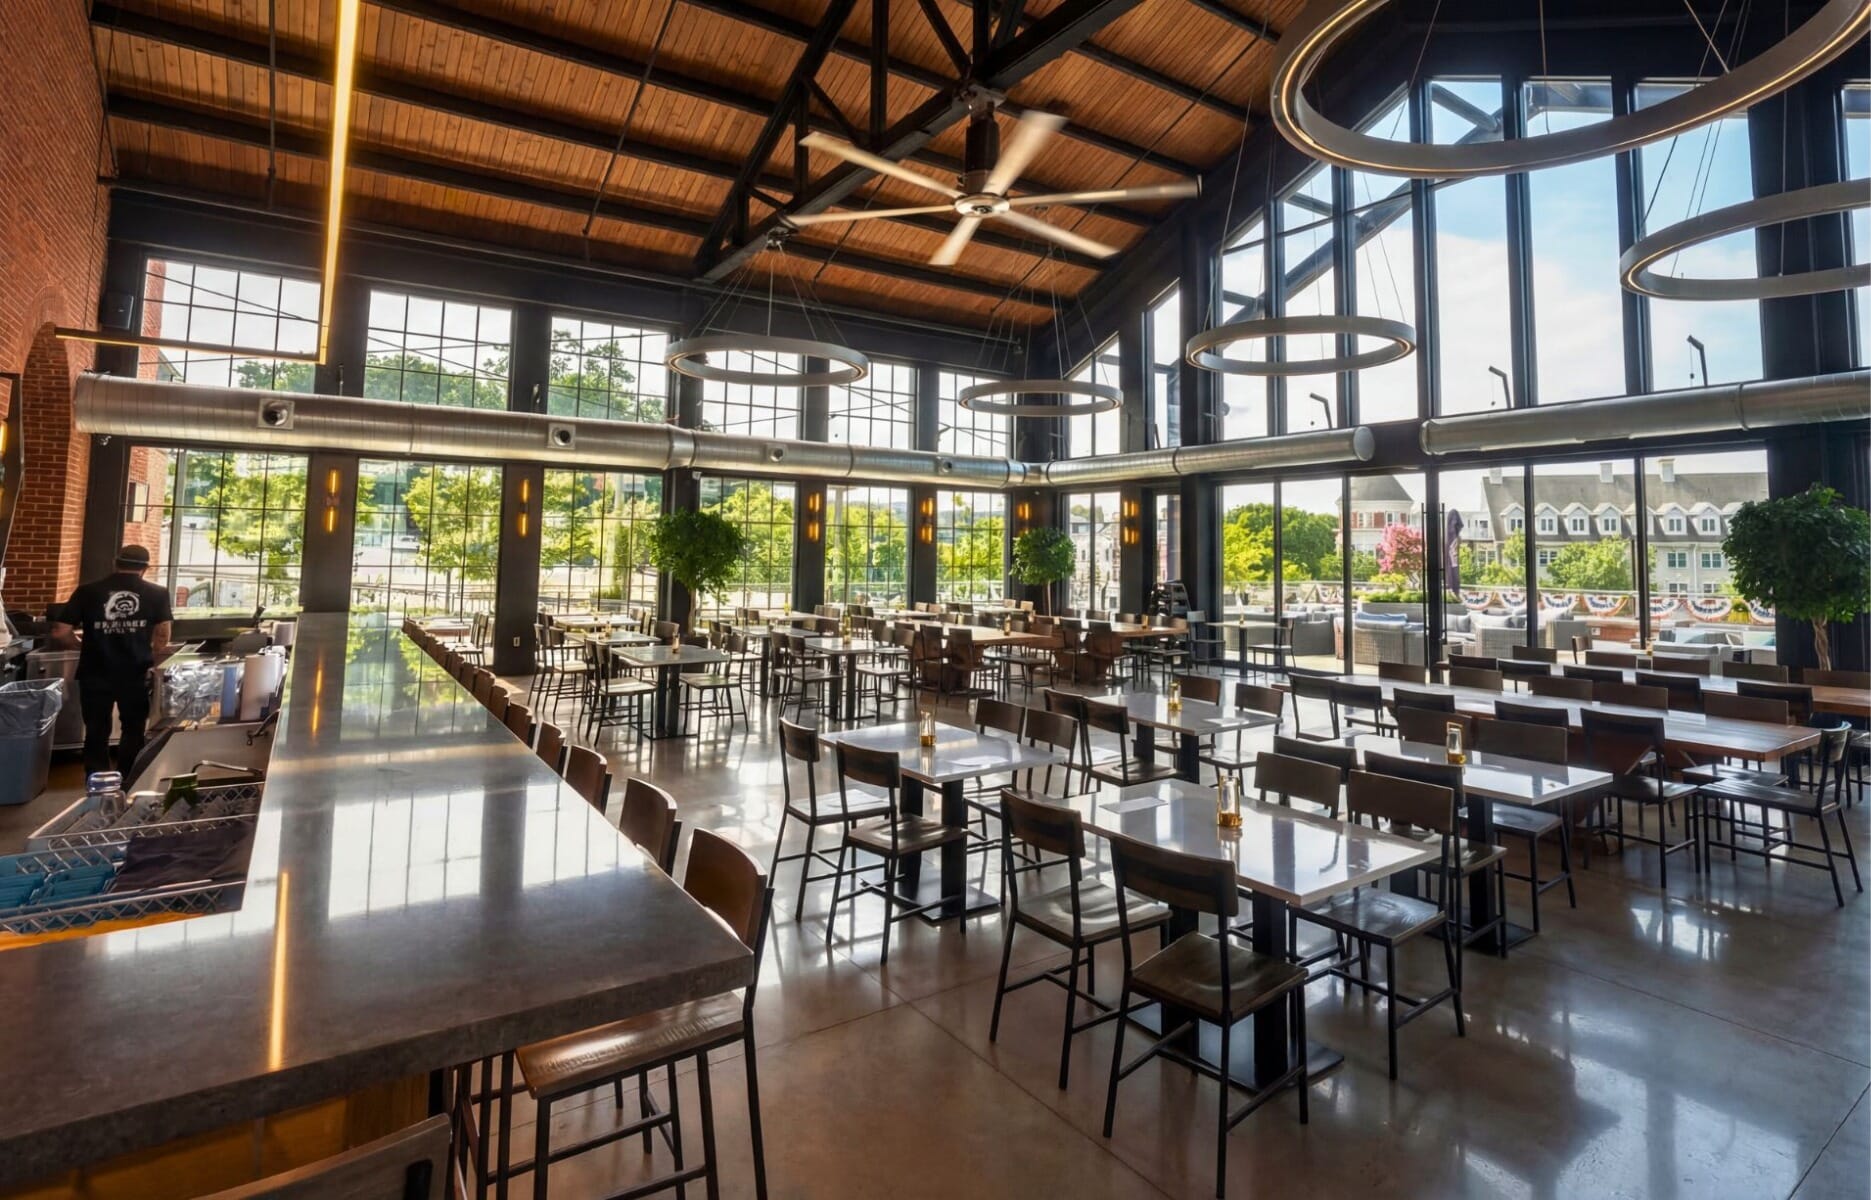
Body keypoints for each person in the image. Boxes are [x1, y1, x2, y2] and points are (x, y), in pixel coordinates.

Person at [49, 544, 173, 776]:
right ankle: (128, 779)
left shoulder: (88, 591)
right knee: (134, 729)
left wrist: (82, 645)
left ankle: (97, 783)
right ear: (145, 568)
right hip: (135, 671)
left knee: (96, 731)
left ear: (115, 563)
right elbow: (163, 635)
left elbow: (60, 631)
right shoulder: (157, 593)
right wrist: (152, 658)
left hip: (94, 672)